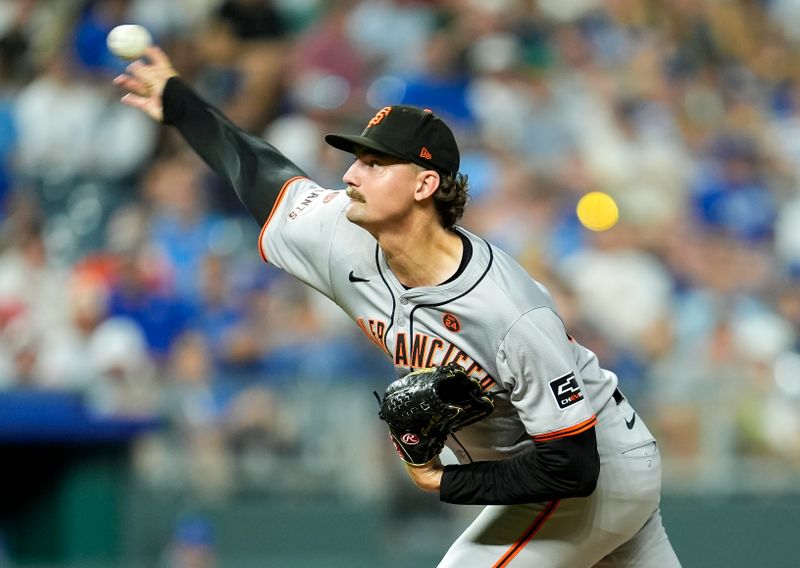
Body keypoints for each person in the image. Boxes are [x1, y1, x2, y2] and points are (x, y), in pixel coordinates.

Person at [114, 46, 682, 567]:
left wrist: (442, 482)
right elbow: (257, 169)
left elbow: (573, 467)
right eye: (357, 158)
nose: (350, 175)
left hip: (597, 469)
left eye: (375, 163)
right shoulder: (339, 232)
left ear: (424, 184)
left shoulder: (509, 312)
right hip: (573, 473)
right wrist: (180, 104)